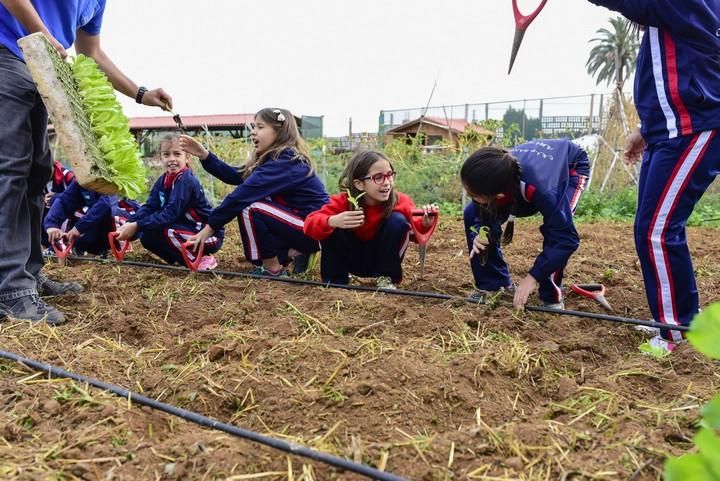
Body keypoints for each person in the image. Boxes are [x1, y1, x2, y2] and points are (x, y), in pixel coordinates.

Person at [0, 0, 172, 324]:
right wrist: (41, 32)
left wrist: (141, 93)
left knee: (36, 175)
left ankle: (27, 275)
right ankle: (10, 291)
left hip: (41, 67)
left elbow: (90, 51)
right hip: (7, 54)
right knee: (11, 172)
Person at [588, 0, 720, 352]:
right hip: (670, 130)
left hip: (694, 127)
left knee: (657, 231)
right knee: (653, 228)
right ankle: (674, 322)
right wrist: (646, 128)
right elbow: (676, 69)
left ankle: (675, 330)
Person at [180, 108, 329, 277]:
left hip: (314, 229)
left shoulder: (286, 161)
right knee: (255, 207)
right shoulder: (276, 160)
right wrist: (204, 155)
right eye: (254, 126)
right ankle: (295, 252)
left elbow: (240, 196)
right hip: (304, 224)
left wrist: (209, 228)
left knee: (250, 208)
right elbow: (236, 176)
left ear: (279, 131)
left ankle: (273, 269)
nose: (253, 132)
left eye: (260, 127)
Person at [461, 139, 590, 309]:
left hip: (570, 167)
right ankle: (494, 284)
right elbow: (480, 212)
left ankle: (551, 296)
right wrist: (480, 233)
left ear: (498, 196)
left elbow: (565, 239)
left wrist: (532, 277)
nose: (470, 196)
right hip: (524, 178)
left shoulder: (547, 192)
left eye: (473, 194)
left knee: (558, 229)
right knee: (471, 212)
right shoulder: (499, 176)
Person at [304, 150, 438, 289]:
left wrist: (424, 224)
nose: (387, 183)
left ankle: (386, 278)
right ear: (359, 184)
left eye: (390, 175)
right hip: (350, 258)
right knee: (331, 224)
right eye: (378, 177)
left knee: (397, 221)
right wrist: (332, 221)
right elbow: (309, 224)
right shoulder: (343, 202)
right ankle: (336, 281)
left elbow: (416, 234)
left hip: (381, 260)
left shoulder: (399, 201)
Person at [116, 135, 223, 270]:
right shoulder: (163, 180)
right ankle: (178, 260)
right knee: (146, 236)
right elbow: (150, 206)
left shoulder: (186, 181)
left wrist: (137, 225)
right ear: (161, 158)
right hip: (185, 229)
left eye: (177, 154)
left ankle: (202, 258)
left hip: (208, 234)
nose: (172, 159)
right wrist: (129, 223)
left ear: (187, 157)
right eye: (166, 154)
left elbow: (170, 214)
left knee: (168, 231)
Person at [44, 181, 119, 256]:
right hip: (91, 220)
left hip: (116, 221)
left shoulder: (108, 181)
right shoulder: (80, 182)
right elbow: (64, 201)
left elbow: (105, 205)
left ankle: (100, 250)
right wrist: (51, 225)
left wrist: (79, 228)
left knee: (97, 223)